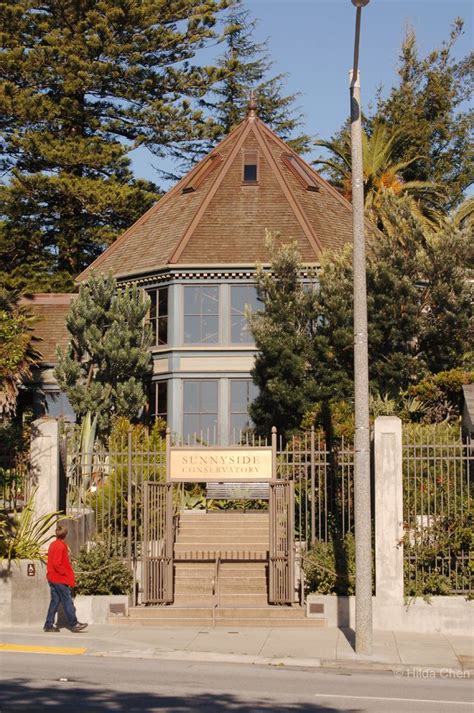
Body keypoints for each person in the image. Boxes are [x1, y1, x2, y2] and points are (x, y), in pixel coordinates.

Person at [44, 525, 88, 633]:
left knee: (55, 602)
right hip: (60, 578)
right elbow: (57, 563)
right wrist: (66, 574)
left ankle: (48, 624)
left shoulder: (53, 544)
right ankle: (74, 623)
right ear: (65, 535)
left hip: (52, 577)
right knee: (67, 601)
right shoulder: (61, 546)